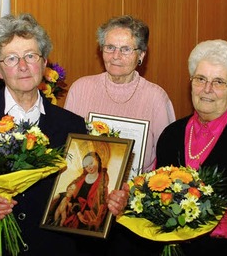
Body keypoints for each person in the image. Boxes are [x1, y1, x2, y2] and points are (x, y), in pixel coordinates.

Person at [0, 13, 128, 255]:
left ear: (44, 63)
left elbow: (79, 198)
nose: (22, 66)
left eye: (31, 56)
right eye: (11, 58)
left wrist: (110, 204)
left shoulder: (71, 125)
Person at [114, 40, 227, 255]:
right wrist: (128, 197)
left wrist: (208, 223)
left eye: (219, 82)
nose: (207, 89)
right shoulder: (171, 134)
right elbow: (152, 187)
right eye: (200, 79)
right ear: (191, 83)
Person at [64, 15, 175, 172]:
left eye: (126, 49)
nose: (116, 56)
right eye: (110, 47)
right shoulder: (80, 89)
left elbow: (168, 156)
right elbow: (67, 149)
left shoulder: (156, 98)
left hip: (137, 191)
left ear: (141, 55)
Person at [62, 151, 109, 231]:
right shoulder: (80, 180)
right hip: (76, 211)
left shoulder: (103, 181)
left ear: (97, 161)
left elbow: (101, 203)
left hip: (90, 215)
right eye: (86, 166)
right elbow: (73, 197)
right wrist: (79, 214)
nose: (89, 168)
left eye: (91, 163)